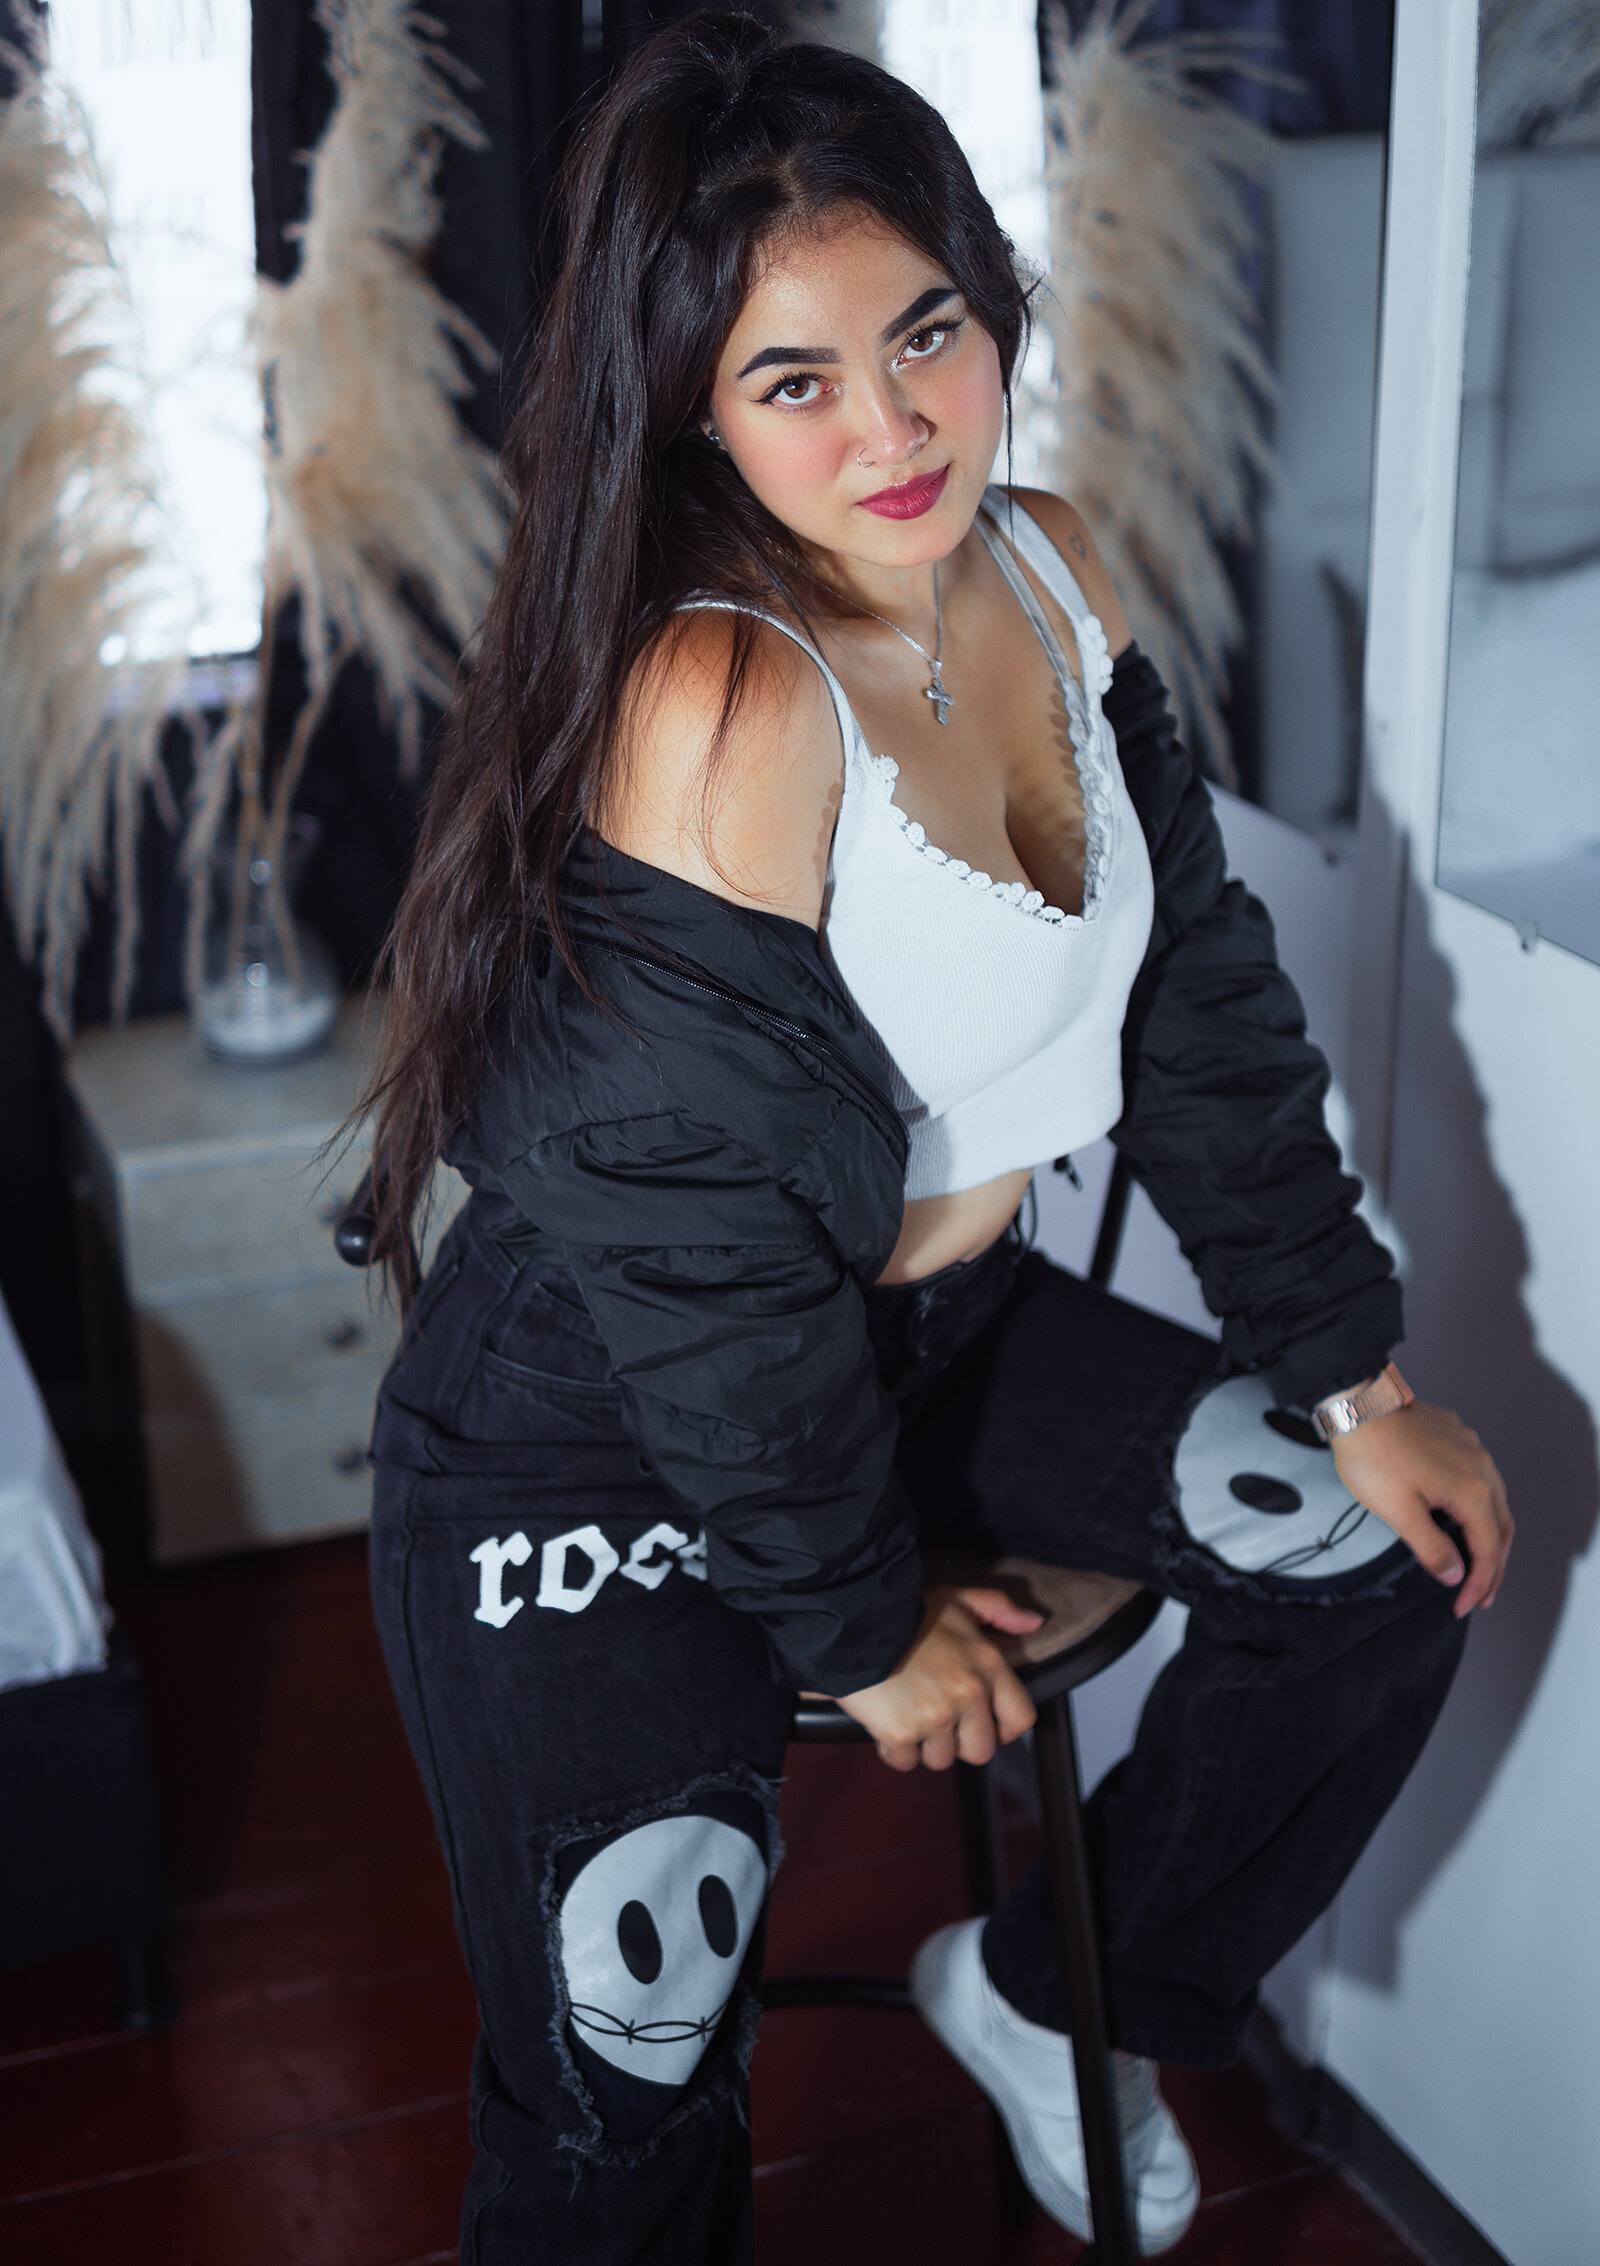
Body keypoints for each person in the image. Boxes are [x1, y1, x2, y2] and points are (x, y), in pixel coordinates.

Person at [359, 14, 1512, 2261]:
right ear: (690, 404)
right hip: (600, 1428)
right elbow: (701, 1261)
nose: (892, 428)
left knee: (1370, 1557)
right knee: (629, 2069)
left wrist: (1354, 1373)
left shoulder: (1053, 571)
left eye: (925, 335)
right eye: (793, 378)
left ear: (993, 306)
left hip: (926, 1341)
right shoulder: (719, 695)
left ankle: (1059, 1993)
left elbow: (1196, 1007)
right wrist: (862, 1613)